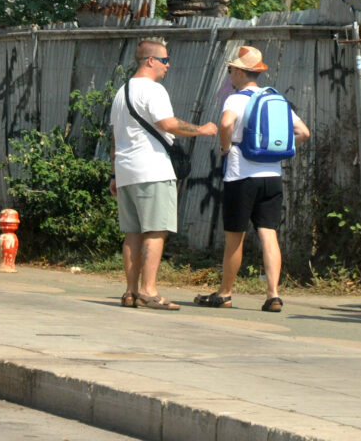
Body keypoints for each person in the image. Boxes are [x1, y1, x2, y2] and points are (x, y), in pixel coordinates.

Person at [194, 46, 309, 312]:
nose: (230, 74)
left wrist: (226, 149)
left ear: (239, 71)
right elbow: (303, 132)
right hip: (272, 174)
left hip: (241, 175)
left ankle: (224, 293)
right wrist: (276, 150)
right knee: (269, 234)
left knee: (235, 236)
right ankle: (273, 294)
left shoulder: (236, 99)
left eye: (231, 70)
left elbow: (225, 125)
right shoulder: (276, 98)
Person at [110, 38, 217, 310]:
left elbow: (116, 138)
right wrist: (203, 129)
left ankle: (131, 291)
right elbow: (168, 124)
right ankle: (149, 290)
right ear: (150, 61)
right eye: (165, 60)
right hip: (153, 169)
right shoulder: (153, 90)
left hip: (126, 172)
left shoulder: (121, 92)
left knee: (132, 233)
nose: (168, 66)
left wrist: (113, 175)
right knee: (156, 231)